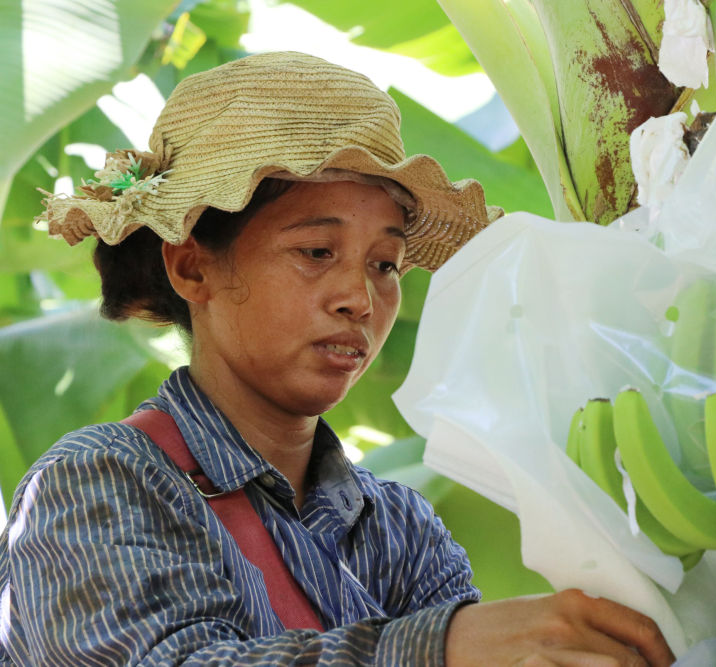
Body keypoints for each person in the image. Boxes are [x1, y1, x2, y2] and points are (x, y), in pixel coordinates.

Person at [0, 52, 675, 666]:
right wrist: (444, 645)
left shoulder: (401, 530)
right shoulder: (97, 484)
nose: (361, 297)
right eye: (317, 252)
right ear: (191, 267)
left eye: (386, 263)